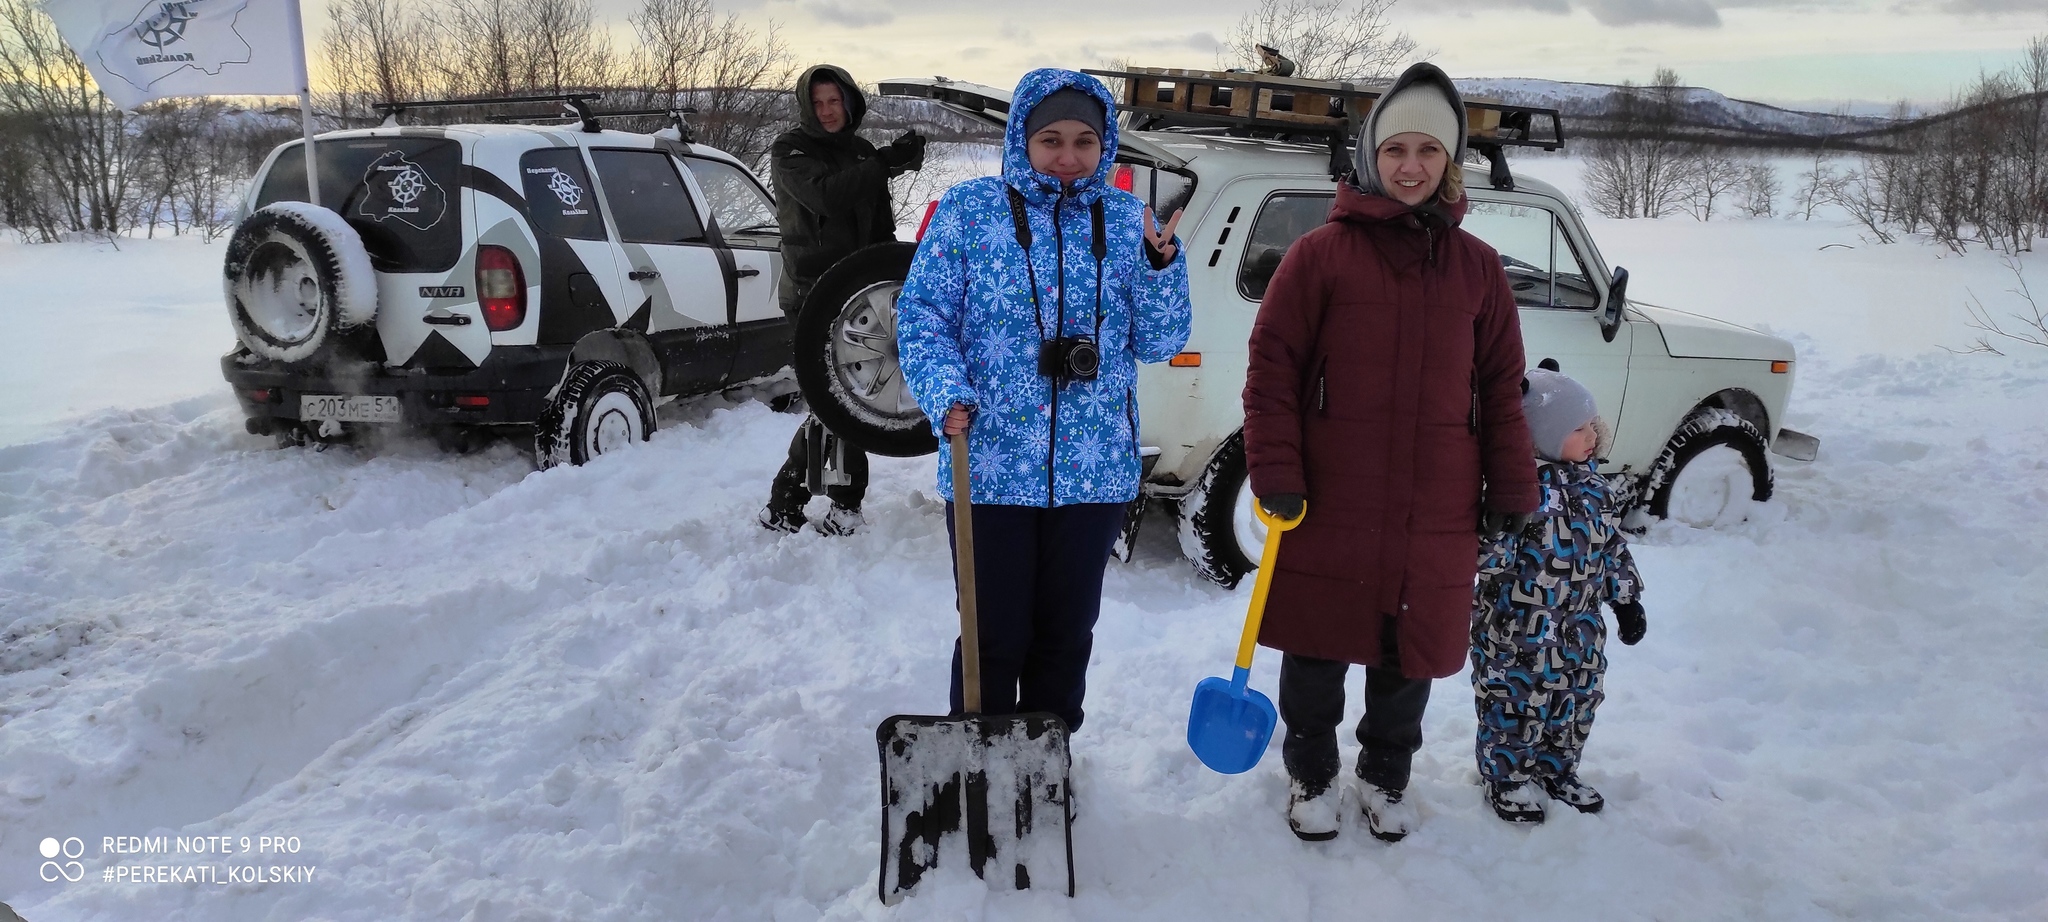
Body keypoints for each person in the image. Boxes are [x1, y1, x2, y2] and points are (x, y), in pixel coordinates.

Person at [1240, 61, 1538, 843]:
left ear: (1450, 163)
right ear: (1373, 155)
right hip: (1333, 495)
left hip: (1435, 498)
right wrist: (1276, 472)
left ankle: (1384, 778)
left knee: (1408, 653)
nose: (1411, 167)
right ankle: (1311, 775)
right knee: (1318, 645)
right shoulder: (1320, 256)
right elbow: (1272, 371)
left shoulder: (1478, 270)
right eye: (1397, 149)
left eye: (1429, 152)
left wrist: (1511, 489)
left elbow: (1503, 386)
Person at [895, 69, 1192, 736]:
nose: (1068, 156)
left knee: (1065, 634)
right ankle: (980, 760)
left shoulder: (1128, 221)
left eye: (1085, 141)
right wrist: (946, 392)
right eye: (1051, 139)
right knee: (991, 633)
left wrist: (1160, 269)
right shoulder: (969, 210)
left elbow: (1163, 340)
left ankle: (1047, 762)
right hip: (991, 463)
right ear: (1021, 138)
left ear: (1106, 144)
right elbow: (921, 319)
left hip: (1094, 472)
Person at [1471, 369, 1646, 824]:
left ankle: (1557, 769)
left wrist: (1626, 600)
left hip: (1580, 631)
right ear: (1539, 435)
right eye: (1577, 428)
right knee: (1516, 705)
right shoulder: (1515, 490)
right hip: (1517, 633)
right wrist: (1490, 531)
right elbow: (1486, 561)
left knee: (1577, 700)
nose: (1592, 436)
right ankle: (1506, 777)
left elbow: (1611, 548)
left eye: (1592, 426)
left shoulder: (1595, 488)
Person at [758, 64, 926, 536]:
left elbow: (880, 229)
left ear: (850, 102)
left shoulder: (860, 151)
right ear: (805, 108)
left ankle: (790, 504)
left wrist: (902, 277)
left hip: (859, 297)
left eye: (835, 101)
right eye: (819, 103)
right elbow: (827, 197)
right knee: (841, 401)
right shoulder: (790, 150)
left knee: (839, 401)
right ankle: (835, 505)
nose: (828, 111)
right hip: (813, 295)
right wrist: (885, 162)